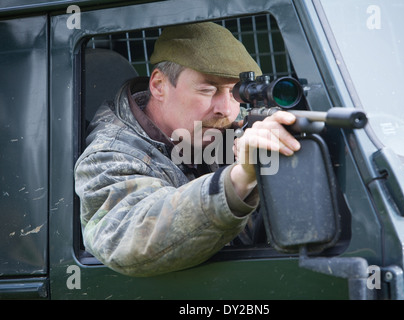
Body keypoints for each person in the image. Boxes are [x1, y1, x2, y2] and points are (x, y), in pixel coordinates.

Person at [74, 22, 300, 277]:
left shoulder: (226, 131)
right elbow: (127, 237)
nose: (225, 109)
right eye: (208, 90)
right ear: (159, 85)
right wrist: (240, 176)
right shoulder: (110, 154)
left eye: (235, 93)